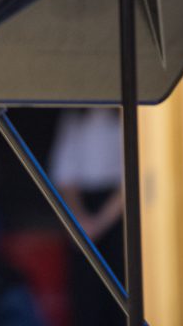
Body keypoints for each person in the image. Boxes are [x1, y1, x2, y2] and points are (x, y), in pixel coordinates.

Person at [49, 107, 124, 326]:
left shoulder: (123, 117)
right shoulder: (73, 117)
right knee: (86, 290)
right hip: (82, 208)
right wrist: (80, 220)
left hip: (117, 211)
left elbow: (135, 173)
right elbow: (65, 173)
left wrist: (100, 222)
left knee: (120, 287)